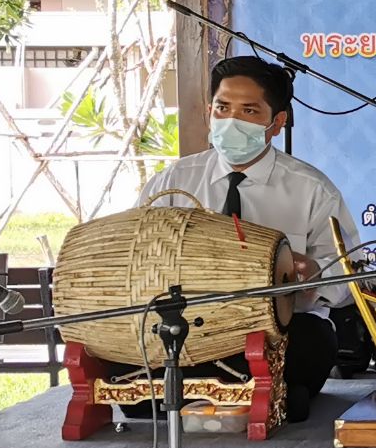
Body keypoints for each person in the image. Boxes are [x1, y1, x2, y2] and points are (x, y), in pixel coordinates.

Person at [138, 55, 357, 418]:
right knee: (137, 354)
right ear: (209, 111)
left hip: (280, 332)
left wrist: (314, 274)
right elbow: (139, 254)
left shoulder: (312, 189)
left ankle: (234, 393)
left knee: (313, 342)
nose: (232, 122)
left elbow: (349, 277)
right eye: (223, 108)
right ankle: (255, 395)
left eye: (249, 111)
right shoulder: (173, 183)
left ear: (277, 123)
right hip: (191, 330)